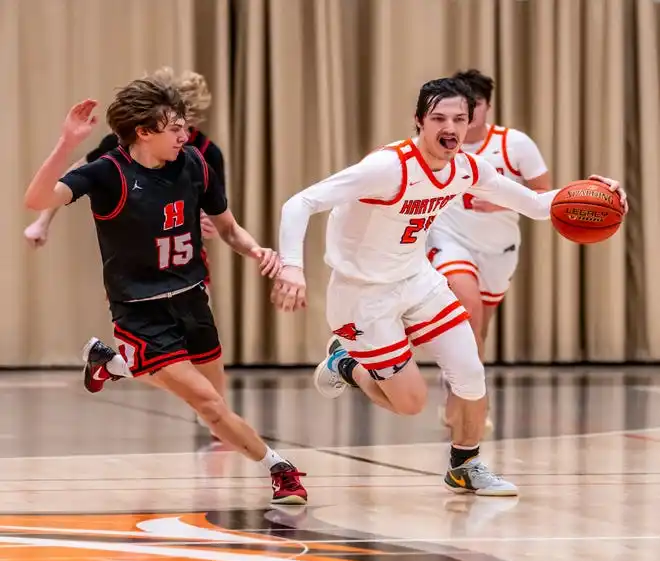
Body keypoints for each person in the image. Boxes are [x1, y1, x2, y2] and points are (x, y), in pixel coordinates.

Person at [270, 77, 626, 496]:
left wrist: (598, 192)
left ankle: (466, 465)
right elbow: (300, 203)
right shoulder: (387, 167)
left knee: (471, 372)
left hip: (417, 280)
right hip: (362, 295)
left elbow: (535, 204)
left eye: (460, 118)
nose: (450, 127)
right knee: (410, 404)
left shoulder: (466, 169)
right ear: (419, 121)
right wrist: (291, 267)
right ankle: (345, 363)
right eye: (439, 117)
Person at [23, 78, 308, 505]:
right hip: (140, 312)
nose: (184, 135)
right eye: (174, 127)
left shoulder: (193, 161)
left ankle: (112, 365)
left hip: (192, 300)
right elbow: (36, 198)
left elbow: (227, 227)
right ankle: (280, 468)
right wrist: (66, 143)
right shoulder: (107, 172)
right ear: (144, 131)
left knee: (216, 408)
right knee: (209, 404)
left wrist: (257, 251)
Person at [427, 69, 552, 435]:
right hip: (450, 241)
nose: (467, 114)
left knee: (477, 331)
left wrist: (502, 205)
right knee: (467, 318)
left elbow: (545, 195)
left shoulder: (515, 144)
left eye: (474, 105)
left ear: (486, 107)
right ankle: (466, 402)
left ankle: (459, 386)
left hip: (499, 249)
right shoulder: (439, 144)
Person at [23, 67, 222, 271]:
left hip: (182, 265)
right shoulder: (122, 144)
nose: (180, 136)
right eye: (171, 127)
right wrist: (43, 221)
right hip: (133, 267)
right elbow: (74, 173)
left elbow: (220, 215)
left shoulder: (205, 154)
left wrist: (214, 226)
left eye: (182, 126)